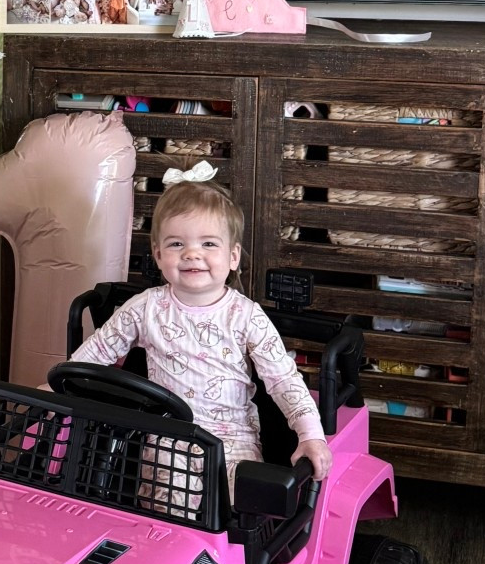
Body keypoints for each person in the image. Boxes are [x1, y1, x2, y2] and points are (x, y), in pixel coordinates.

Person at [70, 166, 331, 488]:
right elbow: (96, 352)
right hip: (167, 433)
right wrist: (57, 382)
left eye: (208, 244)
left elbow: (283, 379)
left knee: (237, 496)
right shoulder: (145, 307)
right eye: (177, 244)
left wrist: (310, 435)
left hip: (232, 437)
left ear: (233, 256)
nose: (192, 253)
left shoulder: (246, 316)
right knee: (165, 499)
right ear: (158, 254)